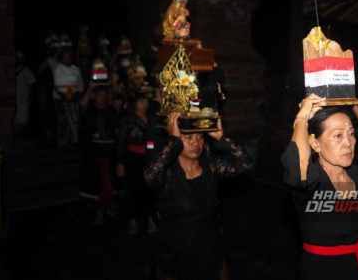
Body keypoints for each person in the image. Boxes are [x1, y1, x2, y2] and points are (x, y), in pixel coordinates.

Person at [280, 93, 358, 280]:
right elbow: (297, 170)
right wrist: (302, 117)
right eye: (338, 136)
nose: (348, 143)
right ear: (315, 143)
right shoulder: (312, 180)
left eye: (351, 134)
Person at [144, 112, 253, 280]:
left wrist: (221, 137)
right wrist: (173, 141)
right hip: (176, 249)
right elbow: (150, 177)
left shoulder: (210, 166)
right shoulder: (167, 173)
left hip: (208, 248)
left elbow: (245, 163)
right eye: (188, 138)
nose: (196, 143)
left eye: (200, 137)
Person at [116, 92, 157, 235]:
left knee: (149, 190)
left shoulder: (152, 117)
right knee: (132, 190)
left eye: (146, 102)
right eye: (141, 102)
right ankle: (132, 222)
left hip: (148, 157)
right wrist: (120, 162)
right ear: (135, 103)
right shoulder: (128, 119)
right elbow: (121, 141)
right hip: (132, 158)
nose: (144, 105)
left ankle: (151, 221)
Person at [79, 82, 119, 226]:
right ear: (93, 97)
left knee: (108, 182)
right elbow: (82, 105)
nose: (103, 98)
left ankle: (108, 207)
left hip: (109, 152)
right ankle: (99, 212)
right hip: (94, 153)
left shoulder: (111, 111)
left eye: (104, 95)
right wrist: (89, 87)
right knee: (96, 183)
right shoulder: (89, 110)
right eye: (99, 95)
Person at [49, 49, 84, 147]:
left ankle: (73, 140)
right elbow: (50, 61)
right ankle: (62, 141)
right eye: (64, 58)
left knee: (74, 119)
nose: (67, 60)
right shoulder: (57, 67)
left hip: (73, 97)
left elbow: (80, 85)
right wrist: (60, 49)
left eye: (68, 58)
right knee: (62, 119)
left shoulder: (75, 69)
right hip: (59, 97)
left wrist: (80, 98)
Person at [14, 51, 36, 136]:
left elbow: (30, 84)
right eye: (18, 59)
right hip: (12, 100)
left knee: (23, 120)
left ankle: (19, 135)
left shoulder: (27, 71)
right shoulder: (9, 69)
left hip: (23, 100)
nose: (19, 61)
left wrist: (30, 97)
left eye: (20, 59)